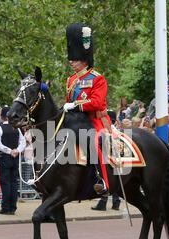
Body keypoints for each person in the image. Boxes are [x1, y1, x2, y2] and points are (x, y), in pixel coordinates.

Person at [62, 23, 111, 195]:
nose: (71, 62)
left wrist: (75, 105)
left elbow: (97, 103)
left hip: (95, 121)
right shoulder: (70, 80)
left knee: (92, 141)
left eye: (74, 59)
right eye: (71, 58)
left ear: (84, 59)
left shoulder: (98, 79)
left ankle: (102, 180)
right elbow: (68, 101)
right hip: (75, 121)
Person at [0, 107, 26, 215]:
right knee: (14, 182)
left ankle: (5, 207)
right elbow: (23, 142)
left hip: (4, 158)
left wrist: (9, 151)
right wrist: (17, 150)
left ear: (2, 116)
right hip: (15, 158)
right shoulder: (16, 128)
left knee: (5, 183)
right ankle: (13, 207)